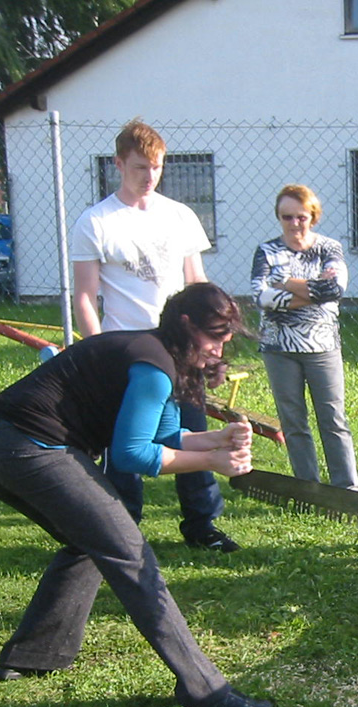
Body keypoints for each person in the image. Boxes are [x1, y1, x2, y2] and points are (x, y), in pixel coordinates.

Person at [0, 284, 273, 707]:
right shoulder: (154, 365)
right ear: (185, 325)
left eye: (226, 338)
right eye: (214, 335)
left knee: (92, 539)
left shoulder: (160, 356)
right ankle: (204, 690)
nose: (219, 347)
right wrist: (213, 460)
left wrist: (218, 438)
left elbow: (165, 437)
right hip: (28, 448)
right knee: (128, 551)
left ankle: (34, 654)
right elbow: (133, 454)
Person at [71, 118, 238, 552]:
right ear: (119, 164)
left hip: (181, 346)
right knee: (126, 445)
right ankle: (121, 528)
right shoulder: (97, 221)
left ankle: (203, 525)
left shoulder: (179, 216)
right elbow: (86, 297)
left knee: (189, 429)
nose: (150, 177)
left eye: (157, 168)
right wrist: (96, 351)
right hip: (126, 350)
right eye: (140, 167)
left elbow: (197, 285)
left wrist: (211, 348)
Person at [251, 184, 358, 489]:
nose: (294, 224)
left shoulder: (329, 248)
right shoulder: (266, 251)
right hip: (278, 347)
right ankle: (307, 487)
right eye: (287, 217)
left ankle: (347, 489)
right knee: (293, 421)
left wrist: (284, 282)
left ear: (313, 216)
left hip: (322, 346)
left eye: (301, 217)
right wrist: (313, 291)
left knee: (333, 419)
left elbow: (334, 290)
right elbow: (260, 297)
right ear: (279, 217)